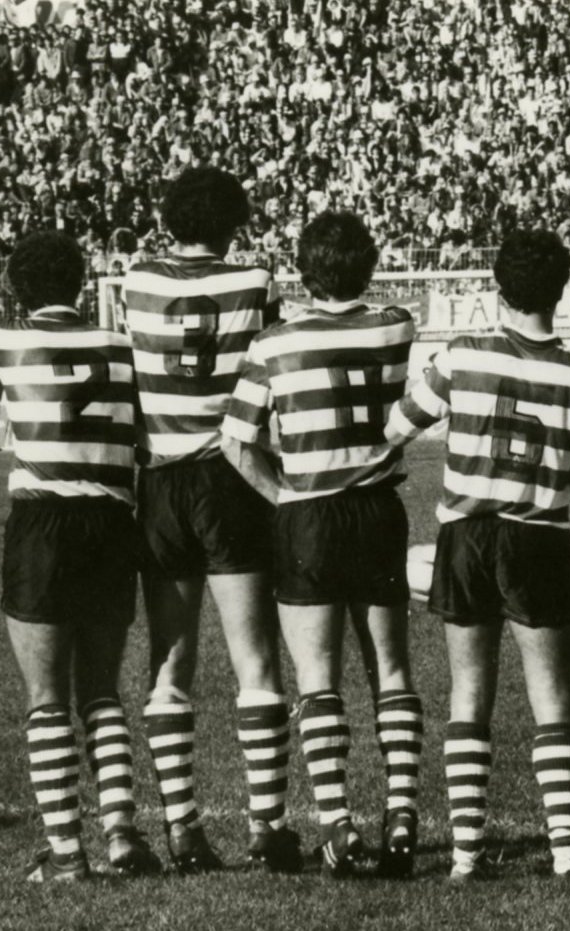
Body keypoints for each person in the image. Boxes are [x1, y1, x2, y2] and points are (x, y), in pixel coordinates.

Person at [385, 229, 570, 882]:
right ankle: (568, 854)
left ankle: (466, 855)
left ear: (499, 289)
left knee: (469, 691)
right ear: (562, 291)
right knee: (553, 696)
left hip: (466, 536)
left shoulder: (463, 356)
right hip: (539, 536)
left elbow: (399, 424)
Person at [222, 211, 421, 879]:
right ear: (368, 264)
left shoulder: (274, 343)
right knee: (391, 669)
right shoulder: (396, 326)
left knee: (317, 677)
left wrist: (283, 497)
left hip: (308, 515)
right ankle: (401, 813)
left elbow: (236, 442)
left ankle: (338, 823)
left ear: (305, 272)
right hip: (377, 510)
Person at [120, 167, 296, 873]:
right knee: (256, 658)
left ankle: (182, 828)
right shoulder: (255, 281)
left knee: (171, 660)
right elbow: (274, 372)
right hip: (232, 475)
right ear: (233, 222)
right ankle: (267, 826)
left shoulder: (135, 281)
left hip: (161, 479)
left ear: (169, 220)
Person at [0, 231, 161, 881]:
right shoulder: (121, 346)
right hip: (112, 518)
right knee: (101, 690)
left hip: (44, 520)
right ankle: (122, 834)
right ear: (81, 282)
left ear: (18, 290)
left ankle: (65, 853)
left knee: (46, 698)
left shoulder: (0, 339)